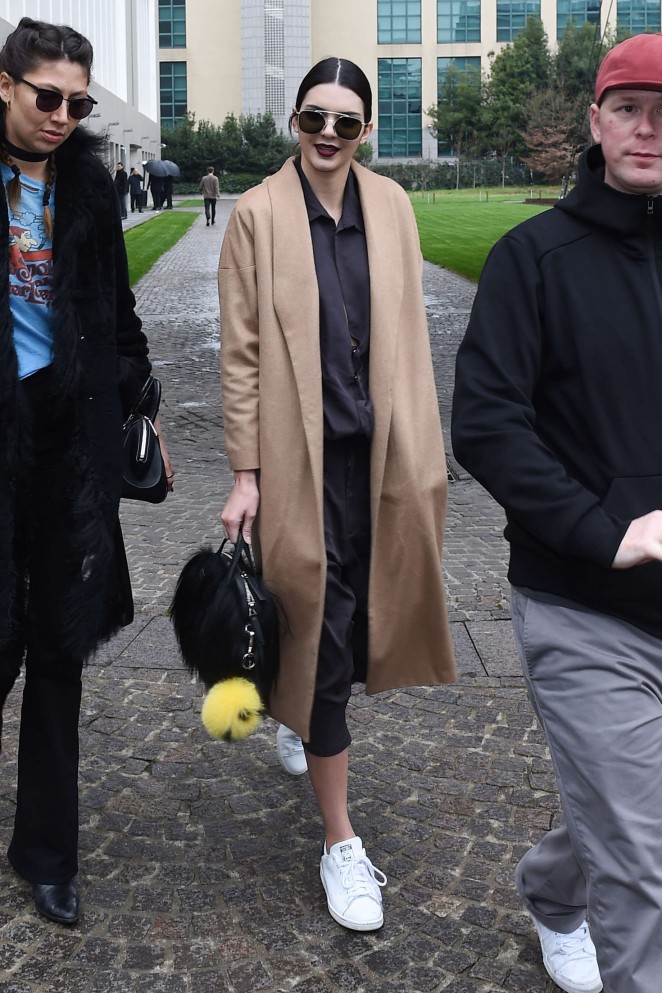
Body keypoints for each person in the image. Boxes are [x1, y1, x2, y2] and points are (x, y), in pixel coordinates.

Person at [219, 57, 455, 932]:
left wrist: (425, 455)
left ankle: (298, 713)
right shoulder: (257, 213)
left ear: (366, 132)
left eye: (345, 122)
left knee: (354, 625)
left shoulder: (391, 205)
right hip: (299, 465)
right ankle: (339, 838)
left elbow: (411, 341)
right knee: (320, 633)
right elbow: (242, 353)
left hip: (381, 461)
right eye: (314, 118)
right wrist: (245, 473)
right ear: (295, 120)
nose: (328, 134)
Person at [452, 32, 662, 993]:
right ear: (595, 121)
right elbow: (487, 424)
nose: (647, 130)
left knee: (631, 812)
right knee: (645, 866)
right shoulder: (533, 257)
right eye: (629, 109)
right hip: (585, 602)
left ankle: (549, 883)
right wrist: (604, 532)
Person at [0, 17, 174, 926]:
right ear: (5, 86)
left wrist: (139, 401)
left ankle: (48, 853)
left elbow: (119, 312)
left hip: (71, 442)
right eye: (47, 98)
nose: (62, 117)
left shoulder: (90, 187)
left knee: (59, 648)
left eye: (77, 103)